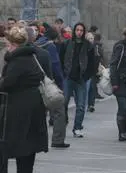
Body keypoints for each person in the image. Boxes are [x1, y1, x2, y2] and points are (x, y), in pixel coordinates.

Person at [0, 26, 48, 172]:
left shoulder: (17, 62)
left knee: (17, 147)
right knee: (28, 150)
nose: (6, 48)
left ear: (14, 45)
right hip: (34, 109)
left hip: (19, 112)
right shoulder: (31, 57)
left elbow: (7, 84)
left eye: (7, 44)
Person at [59, 23, 95, 138]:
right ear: (74, 31)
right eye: (77, 30)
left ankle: (78, 127)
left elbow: (92, 63)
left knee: (80, 105)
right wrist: (63, 73)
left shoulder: (88, 46)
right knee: (63, 102)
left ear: (84, 32)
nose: (79, 32)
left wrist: (86, 76)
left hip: (81, 79)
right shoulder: (67, 44)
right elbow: (61, 59)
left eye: (81, 30)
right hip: (68, 77)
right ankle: (63, 122)